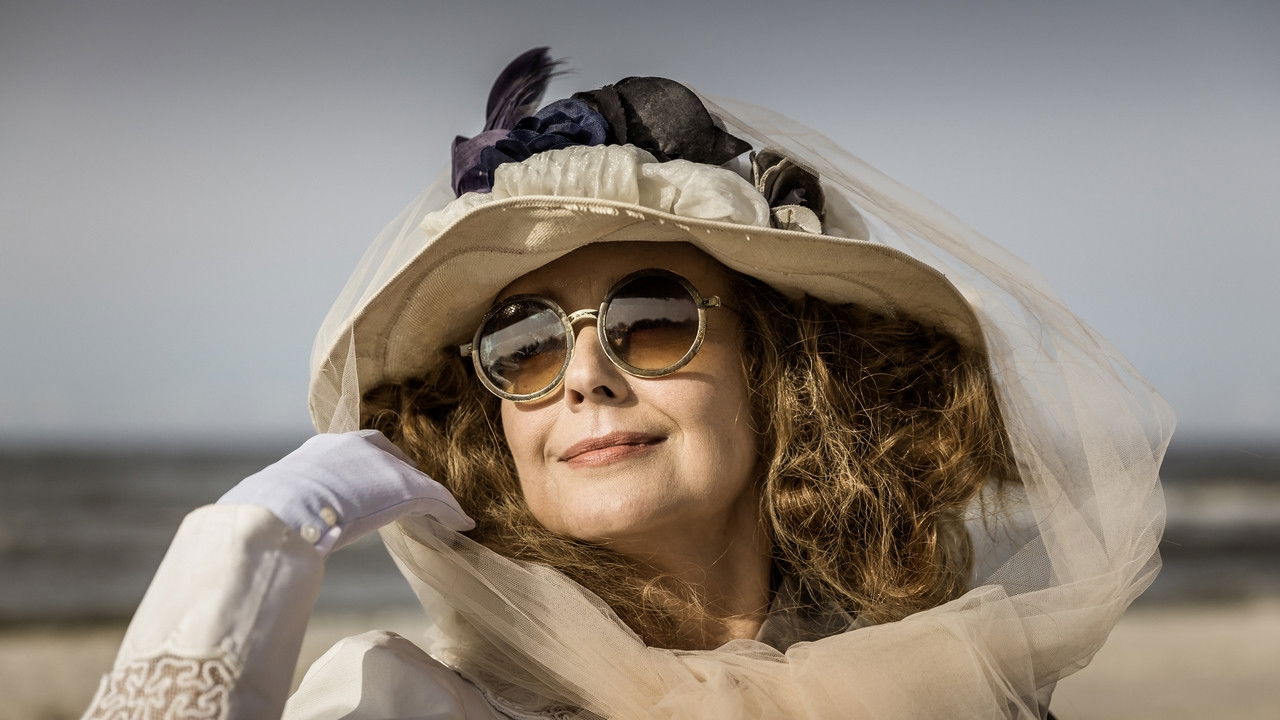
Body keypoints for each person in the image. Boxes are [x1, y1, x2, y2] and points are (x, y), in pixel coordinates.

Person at [82, 48, 1172, 719]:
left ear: (781, 368)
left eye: (651, 320)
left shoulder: (943, 686)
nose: (584, 377)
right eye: (522, 343)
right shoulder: (406, 703)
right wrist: (254, 537)